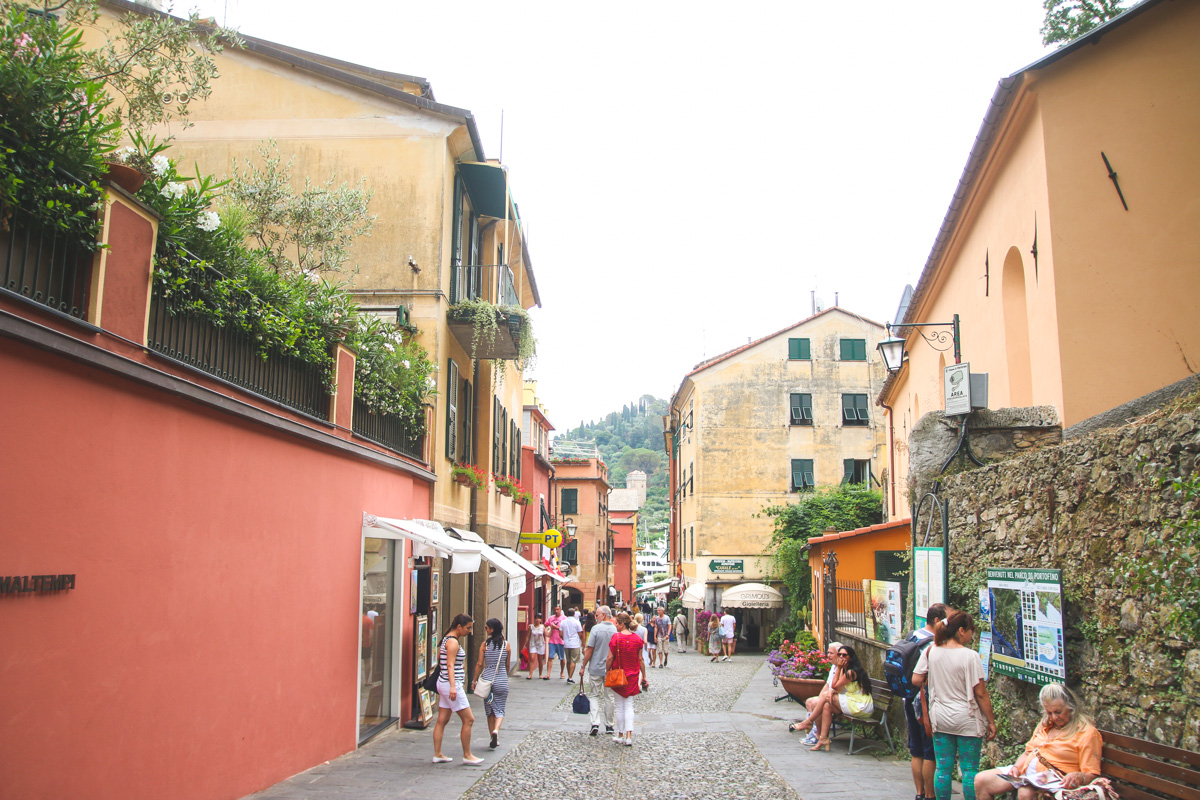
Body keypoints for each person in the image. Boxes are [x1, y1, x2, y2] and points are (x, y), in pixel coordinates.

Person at [912, 611, 997, 800]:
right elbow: (981, 693)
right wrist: (991, 721)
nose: (972, 635)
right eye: (971, 631)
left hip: (941, 717)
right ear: (961, 630)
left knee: (943, 768)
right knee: (969, 769)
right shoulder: (971, 656)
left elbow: (916, 679)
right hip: (966, 718)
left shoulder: (932, 651)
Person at [975, 684, 1103, 800]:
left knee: (1026, 793)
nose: (1054, 717)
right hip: (1028, 775)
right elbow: (1028, 752)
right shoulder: (1046, 724)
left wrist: (1079, 776)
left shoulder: (1087, 733)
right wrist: (1016, 768)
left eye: (1058, 712)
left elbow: (1091, 774)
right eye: (1049, 713)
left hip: (1056, 781)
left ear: (1071, 708)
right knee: (981, 780)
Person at [792, 644, 875, 751]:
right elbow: (835, 687)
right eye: (839, 654)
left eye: (844, 655)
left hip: (861, 705)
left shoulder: (851, 672)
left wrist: (839, 668)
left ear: (851, 657)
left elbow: (835, 686)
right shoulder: (844, 670)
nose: (841, 657)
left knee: (827, 697)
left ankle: (808, 721)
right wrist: (833, 689)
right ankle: (823, 738)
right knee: (827, 706)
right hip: (852, 701)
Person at [907, 604, 950, 800]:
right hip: (924, 701)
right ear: (937, 621)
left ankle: (919, 793)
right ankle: (930, 795)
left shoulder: (913, 635)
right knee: (929, 752)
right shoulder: (932, 644)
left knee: (916, 750)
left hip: (909, 697)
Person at [432, 614, 484, 765]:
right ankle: (467, 755)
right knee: (468, 719)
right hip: (450, 684)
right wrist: (453, 686)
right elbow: (449, 665)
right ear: (459, 627)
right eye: (468, 628)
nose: (469, 631)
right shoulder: (453, 642)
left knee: (442, 719)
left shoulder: (446, 640)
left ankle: (438, 753)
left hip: (444, 683)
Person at [787, 640, 843, 744]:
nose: (828, 655)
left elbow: (836, 688)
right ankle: (814, 731)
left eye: (831, 653)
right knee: (810, 701)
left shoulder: (842, 669)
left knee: (816, 703)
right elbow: (827, 685)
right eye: (828, 653)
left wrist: (821, 699)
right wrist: (821, 697)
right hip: (830, 697)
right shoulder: (834, 667)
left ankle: (817, 733)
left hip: (839, 699)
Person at [606, 612, 649, 746]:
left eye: (617, 623)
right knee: (629, 706)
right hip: (633, 675)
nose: (616, 626)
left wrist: (607, 671)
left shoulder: (616, 638)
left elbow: (610, 658)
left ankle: (620, 734)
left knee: (619, 707)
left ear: (622, 624)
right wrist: (644, 676)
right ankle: (629, 736)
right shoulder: (637, 639)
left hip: (619, 675)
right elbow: (641, 659)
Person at [471, 618, 512, 750]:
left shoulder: (485, 645)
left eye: (486, 628)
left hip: (488, 682)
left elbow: (479, 664)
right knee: (500, 710)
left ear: (492, 630)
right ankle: (496, 731)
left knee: (490, 712)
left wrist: (474, 680)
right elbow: (507, 665)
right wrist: (505, 676)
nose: (486, 629)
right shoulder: (507, 645)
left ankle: (492, 736)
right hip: (501, 680)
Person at [581, 605, 617, 736]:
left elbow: (589, 649)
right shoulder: (615, 630)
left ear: (604, 615)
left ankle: (595, 723)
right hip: (610, 668)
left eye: (597, 615)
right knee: (609, 697)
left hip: (596, 667)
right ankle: (609, 725)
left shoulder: (596, 629)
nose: (596, 617)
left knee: (595, 696)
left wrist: (583, 666)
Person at [560, 608, 584, 683]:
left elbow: (560, 634)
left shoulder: (563, 622)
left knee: (568, 660)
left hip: (566, 644)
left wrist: (565, 639)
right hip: (575, 644)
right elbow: (580, 633)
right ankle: (570, 677)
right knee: (573, 660)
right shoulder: (577, 622)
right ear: (574, 614)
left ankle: (568, 675)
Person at [545, 606, 565, 680]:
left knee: (562, 658)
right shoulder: (551, 618)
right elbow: (545, 625)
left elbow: (565, 629)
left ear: (560, 610)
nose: (556, 611)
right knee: (550, 657)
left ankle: (562, 672)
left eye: (558, 610)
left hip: (560, 641)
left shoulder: (564, 619)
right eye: (555, 610)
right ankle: (548, 674)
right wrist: (546, 632)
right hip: (552, 641)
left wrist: (555, 628)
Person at [525, 615, 546, 679]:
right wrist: (524, 644)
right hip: (533, 644)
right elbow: (528, 636)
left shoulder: (542, 627)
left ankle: (540, 674)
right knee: (532, 658)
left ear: (541, 620)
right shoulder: (531, 627)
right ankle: (530, 674)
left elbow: (546, 635)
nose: (537, 620)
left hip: (541, 645)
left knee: (540, 660)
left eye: (539, 618)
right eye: (536, 618)